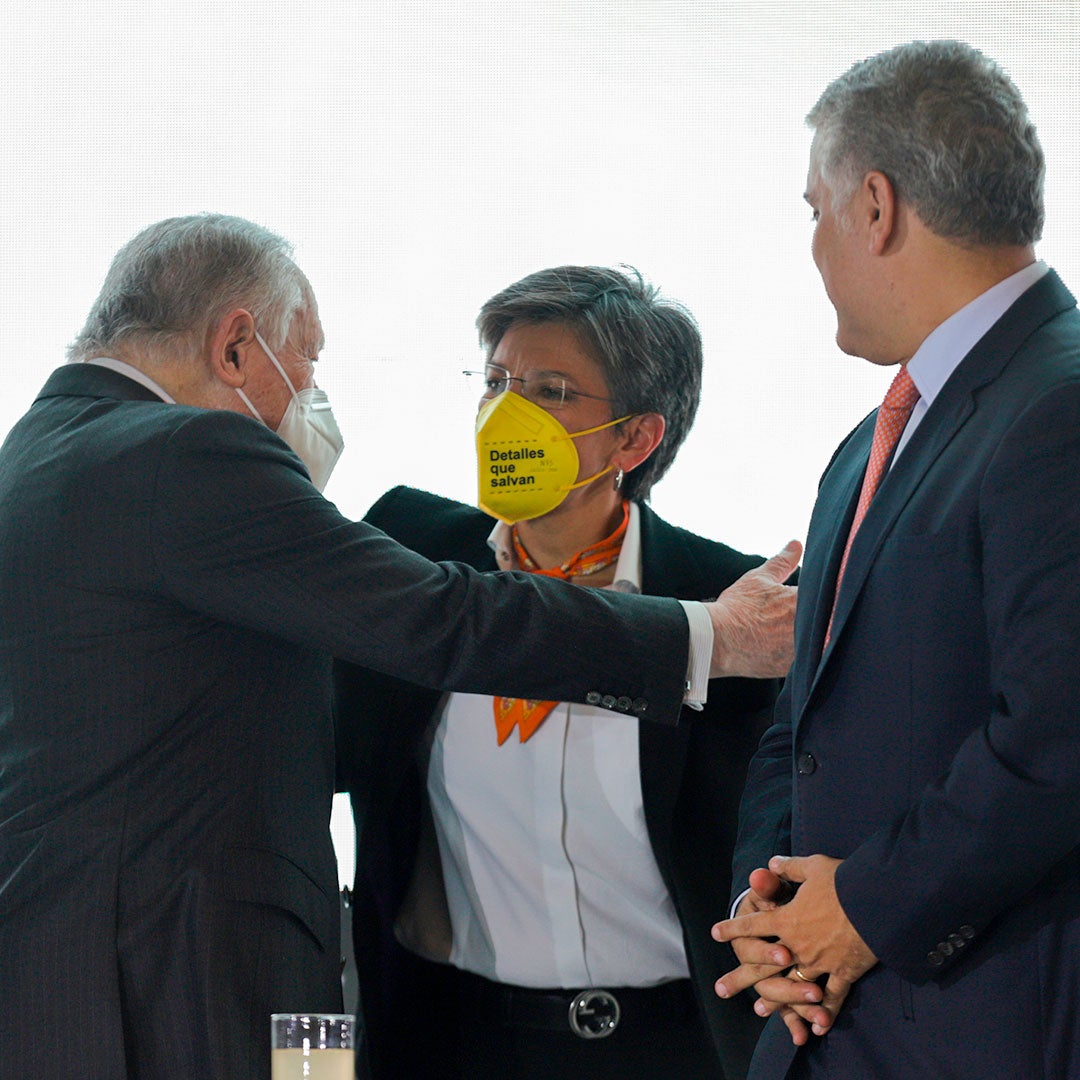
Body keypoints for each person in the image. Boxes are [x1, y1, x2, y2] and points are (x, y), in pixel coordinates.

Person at [0, 215, 798, 1080]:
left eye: (550, 390)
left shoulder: (47, 447)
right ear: (236, 346)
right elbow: (444, 620)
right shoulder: (200, 457)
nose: (310, 391)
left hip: (208, 974)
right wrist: (706, 637)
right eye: (304, 360)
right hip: (214, 988)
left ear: (637, 436)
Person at [711, 40, 1080, 1079]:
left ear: (874, 206)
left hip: (985, 1032)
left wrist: (864, 910)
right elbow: (803, 724)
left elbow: (1057, 739)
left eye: (813, 210)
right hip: (832, 1032)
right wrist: (768, 909)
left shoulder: (1060, 405)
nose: (816, 246)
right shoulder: (865, 446)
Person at [335, 264, 786, 1080]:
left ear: (634, 438)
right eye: (498, 380)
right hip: (448, 1039)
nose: (507, 411)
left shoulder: (726, 611)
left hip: (674, 1043)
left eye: (549, 390)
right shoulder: (409, 553)